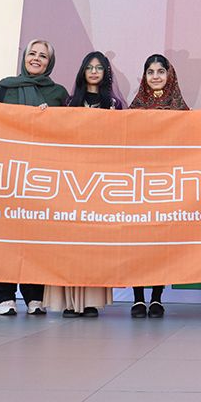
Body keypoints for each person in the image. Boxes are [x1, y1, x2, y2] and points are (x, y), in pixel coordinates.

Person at [0, 39, 69, 316]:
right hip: (8, 169)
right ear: (24, 57)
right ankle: (3, 296)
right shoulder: (4, 88)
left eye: (43, 56)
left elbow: (65, 131)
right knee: (7, 234)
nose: (36, 59)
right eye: (32, 53)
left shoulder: (58, 93)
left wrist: (48, 120)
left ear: (50, 63)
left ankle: (34, 296)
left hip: (41, 173)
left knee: (37, 234)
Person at [43, 52, 121, 318]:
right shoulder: (69, 102)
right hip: (72, 181)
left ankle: (89, 302)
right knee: (69, 241)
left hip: (99, 182)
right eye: (89, 67)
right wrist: (43, 116)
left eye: (99, 67)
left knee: (94, 242)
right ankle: (68, 302)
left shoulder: (114, 105)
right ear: (83, 71)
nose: (94, 71)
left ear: (106, 72)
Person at [127, 54, 189, 318]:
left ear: (169, 75)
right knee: (138, 242)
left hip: (167, 183)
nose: (155, 76)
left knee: (161, 243)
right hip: (139, 182)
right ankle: (138, 299)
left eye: (160, 71)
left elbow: (192, 139)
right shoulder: (135, 108)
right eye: (150, 72)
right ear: (144, 76)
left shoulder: (180, 109)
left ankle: (156, 298)